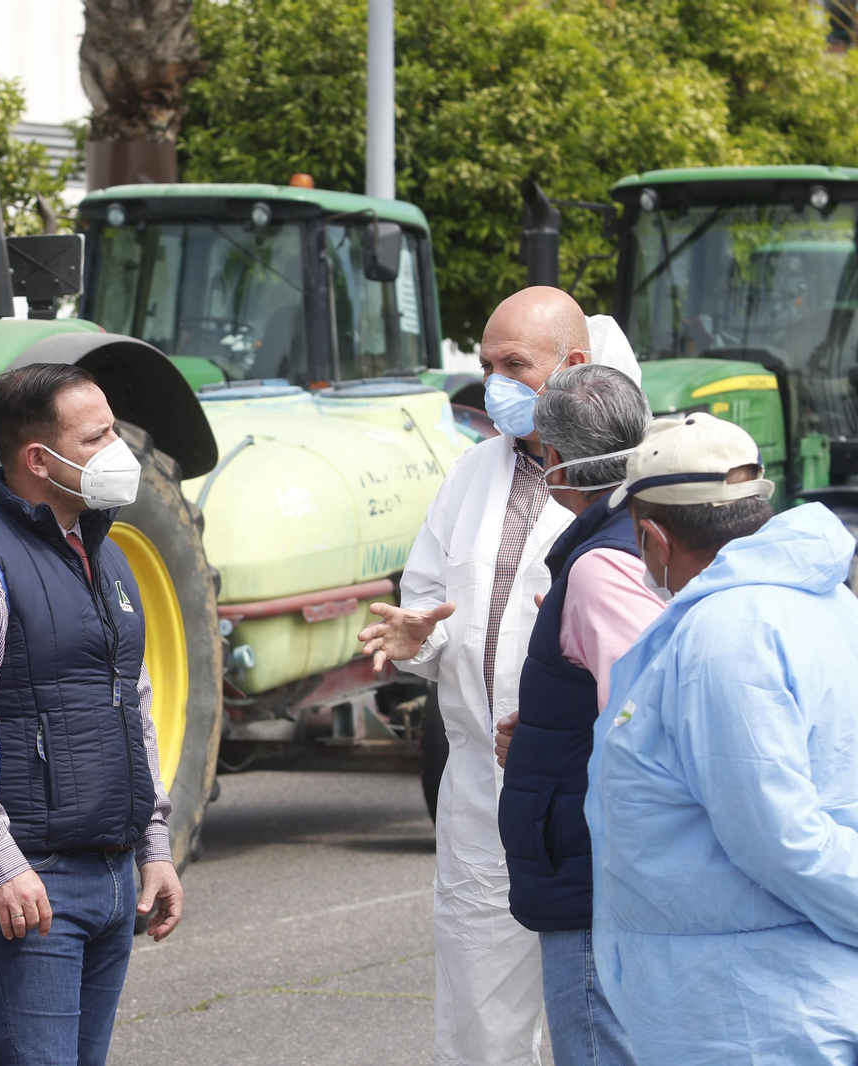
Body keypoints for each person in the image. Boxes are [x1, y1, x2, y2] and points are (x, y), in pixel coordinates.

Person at [357, 288, 642, 1066]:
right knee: (481, 1028)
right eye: (487, 366)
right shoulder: (472, 474)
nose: (496, 385)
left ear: (573, 366)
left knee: (598, 1023)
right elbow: (426, 613)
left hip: (587, 795)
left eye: (515, 365)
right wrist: (411, 637)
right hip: (482, 793)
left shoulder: (636, 483)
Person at [0, 363, 184, 1066]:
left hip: (111, 879)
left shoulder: (108, 557)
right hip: (28, 886)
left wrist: (154, 847)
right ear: (39, 459)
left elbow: (135, 709)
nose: (118, 449)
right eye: (97, 437)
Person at [585, 413, 858, 1064]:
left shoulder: (724, 635)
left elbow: (783, 841)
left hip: (752, 1018)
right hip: (766, 998)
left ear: (651, 537)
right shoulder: (820, 602)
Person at [492, 363, 661, 1066]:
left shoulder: (601, 566)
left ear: (555, 463)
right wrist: (544, 730)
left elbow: (647, 723)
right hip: (590, 861)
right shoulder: (635, 539)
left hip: (592, 876)